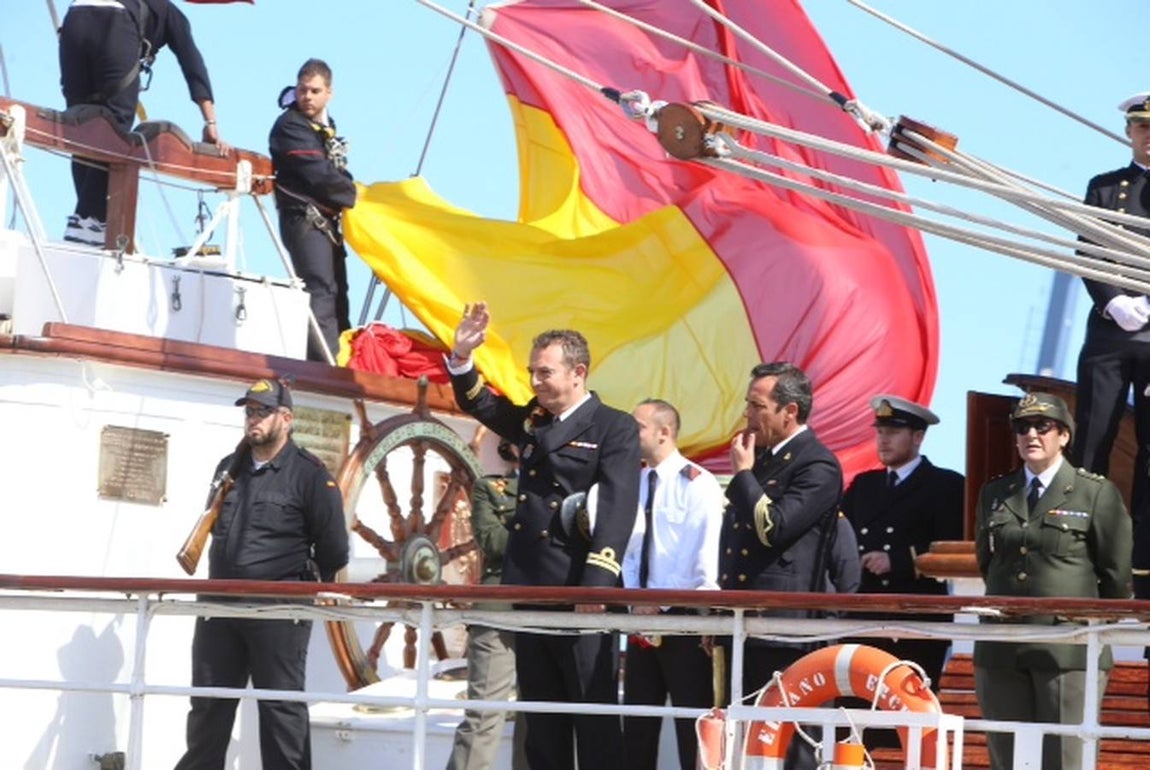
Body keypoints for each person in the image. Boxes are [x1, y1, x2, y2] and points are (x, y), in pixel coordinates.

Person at [446, 301, 641, 770]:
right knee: (542, 722)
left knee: (592, 722)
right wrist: (462, 357)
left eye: (544, 372)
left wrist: (596, 586)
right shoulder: (534, 421)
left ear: (578, 372)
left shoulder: (613, 427)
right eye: (532, 372)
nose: (534, 381)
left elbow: (618, 506)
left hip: (579, 591)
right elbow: (480, 403)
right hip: (530, 587)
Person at [173, 377, 350, 770]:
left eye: (263, 412)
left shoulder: (311, 475)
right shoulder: (229, 467)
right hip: (219, 611)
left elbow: (335, 549)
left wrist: (296, 593)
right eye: (250, 412)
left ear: (285, 418)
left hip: (278, 613)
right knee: (206, 712)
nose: (254, 419)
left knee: (281, 714)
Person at [974, 392, 1131, 770]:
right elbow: (988, 562)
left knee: (1065, 761)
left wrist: (1084, 630)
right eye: (1022, 427)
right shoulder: (995, 493)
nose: (1032, 434)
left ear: (1064, 436)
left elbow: (1115, 578)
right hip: (1002, 650)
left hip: (1067, 651)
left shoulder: (1095, 493)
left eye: (1043, 426)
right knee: (1007, 760)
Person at [719, 361, 847, 770]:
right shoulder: (764, 460)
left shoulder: (817, 465)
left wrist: (742, 475)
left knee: (790, 748)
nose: (748, 415)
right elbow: (734, 546)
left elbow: (773, 527)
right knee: (741, 744)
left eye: (757, 406)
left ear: (789, 411)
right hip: (743, 627)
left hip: (785, 634)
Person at [58, 0, 228, 246]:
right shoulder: (168, 12)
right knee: (114, 128)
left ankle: (86, 219)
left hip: (75, 16)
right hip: (115, 23)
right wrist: (210, 121)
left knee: (80, 123)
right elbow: (192, 63)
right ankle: (88, 219)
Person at [1072, 91, 1150, 601]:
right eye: (1141, 127)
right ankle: (1078, 551)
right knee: (1090, 443)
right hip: (1111, 329)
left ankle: (1143, 562)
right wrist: (1115, 302)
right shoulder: (1105, 187)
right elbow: (1088, 249)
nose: (1148, 134)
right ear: (1128, 133)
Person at [620, 398, 724, 770]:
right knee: (637, 731)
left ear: (665, 432)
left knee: (691, 731)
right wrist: (636, 601)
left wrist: (661, 603)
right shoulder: (634, 482)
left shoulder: (698, 484)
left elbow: (703, 557)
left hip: (684, 623)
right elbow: (630, 550)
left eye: (639, 428)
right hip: (640, 623)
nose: (631, 435)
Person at [842, 396, 964, 690]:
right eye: (880, 432)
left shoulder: (946, 486)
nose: (883, 440)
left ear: (918, 437)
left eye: (893, 432)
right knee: (855, 712)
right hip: (864, 616)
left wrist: (898, 562)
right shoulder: (863, 486)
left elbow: (952, 550)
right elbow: (842, 537)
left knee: (908, 714)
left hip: (915, 618)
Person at [446, 438, 528, 770]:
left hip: (553, 607)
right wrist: (542, 530)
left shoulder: (568, 489)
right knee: (483, 714)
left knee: (538, 717)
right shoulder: (490, 488)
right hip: (500, 609)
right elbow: (493, 542)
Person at [269, 59, 357, 364]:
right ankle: (324, 367)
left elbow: (333, 172)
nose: (307, 96)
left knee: (338, 291)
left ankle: (343, 360)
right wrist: (356, 195)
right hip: (304, 220)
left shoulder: (324, 128)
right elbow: (318, 174)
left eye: (314, 91)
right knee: (318, 289)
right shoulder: (290, 126)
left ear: (328, 93)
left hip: (326, 224)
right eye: (302, 89)